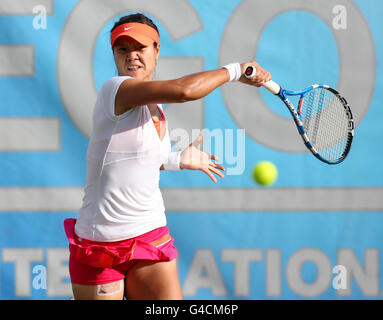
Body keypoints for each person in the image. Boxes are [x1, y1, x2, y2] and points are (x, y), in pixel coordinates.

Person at [64, 12, 271, 300]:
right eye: (122, 49)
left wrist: (177, 160)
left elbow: (136, 159)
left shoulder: (155, 107)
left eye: (140, 48)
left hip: (149, 232)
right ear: (114, 55)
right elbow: (184, 91)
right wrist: (235, 71)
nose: (132, 56)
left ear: (156, 51)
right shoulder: (115, 90)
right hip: (101, 244)